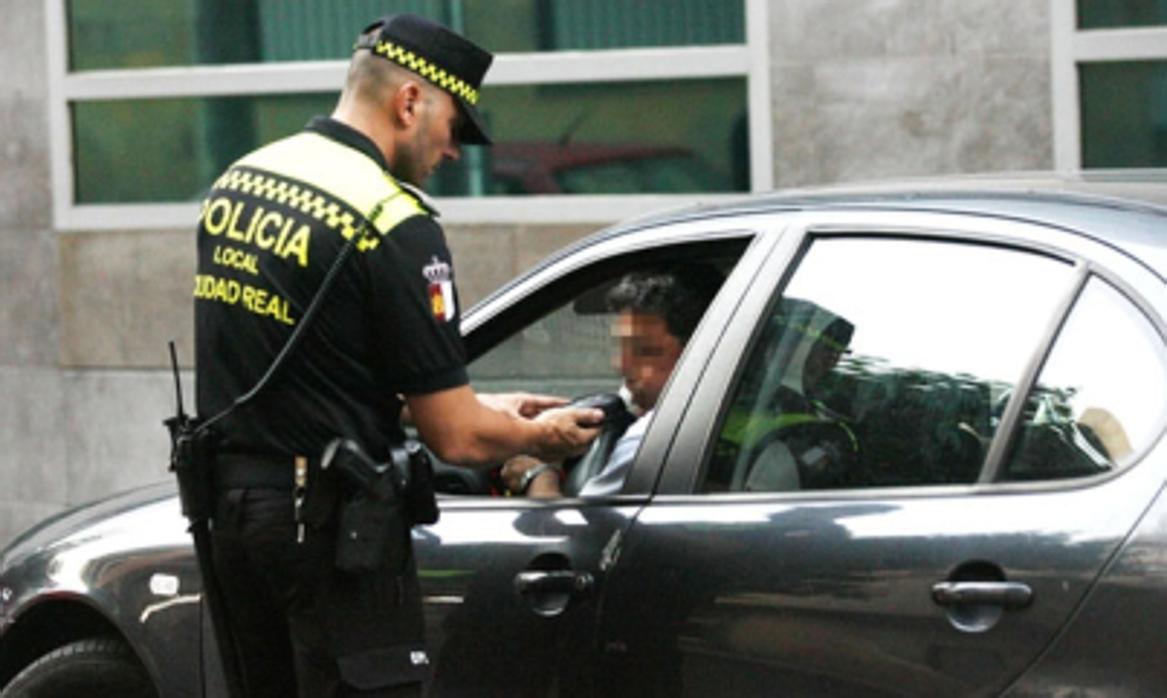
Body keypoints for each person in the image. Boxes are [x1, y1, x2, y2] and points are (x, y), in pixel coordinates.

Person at [193, 14, 601, 698]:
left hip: (232, 521)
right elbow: (459, 437)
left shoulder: (241, 181)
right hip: (327, 535)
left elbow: (304, 376)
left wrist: (477, 405)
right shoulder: (390, 219)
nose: (451, 153)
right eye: (452, 128)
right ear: (410, 101)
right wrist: (541, 436)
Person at [501, 264, 725, 498]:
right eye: (622, 346)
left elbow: (577, 533)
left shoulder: (654, 441)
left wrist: (538, 475)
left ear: (700, 355)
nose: (621, 364)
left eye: (645, 350)